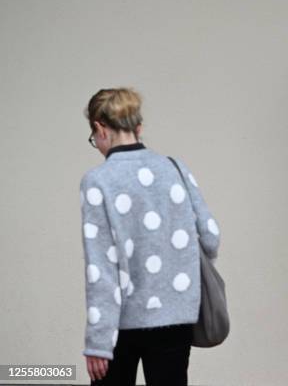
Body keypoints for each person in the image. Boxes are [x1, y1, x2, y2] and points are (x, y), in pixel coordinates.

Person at [79, 87, 220, 385]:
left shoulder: (98, 181)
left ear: (99, 128)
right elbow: (210, 237)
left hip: (120, 323)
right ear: (138, 127)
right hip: (176, 318)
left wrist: (97, 343)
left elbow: (101, 270)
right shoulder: (175, 169)